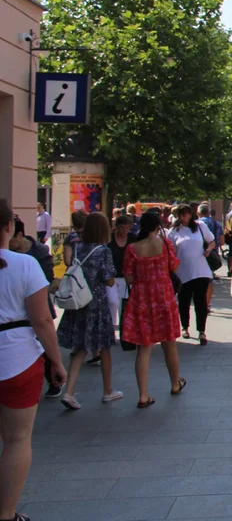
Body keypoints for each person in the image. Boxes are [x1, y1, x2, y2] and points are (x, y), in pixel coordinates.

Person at [0, 199, 67, 521]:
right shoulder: (24, 265)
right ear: (9, 227)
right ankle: (6, 512)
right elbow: (42, 321)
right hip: (17, 359)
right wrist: (55, 361)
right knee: (16, 439)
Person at [55, 212, 122, 409]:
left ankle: (69, 391)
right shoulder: (103, 251)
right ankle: (108, 390)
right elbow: (109, 279)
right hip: (97, 303)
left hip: (79, 302)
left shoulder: (78, 247)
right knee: (105, 346)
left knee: (80, 348)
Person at [122, 212, 185, 408]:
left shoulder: (132, 248)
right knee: (169, 343)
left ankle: (143, 395)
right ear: (158, 226)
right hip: (163, 297)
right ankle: (175, 383)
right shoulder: (165, 244)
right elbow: (173, 267)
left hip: (141, 298)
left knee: (144, 347)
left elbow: (129, 278)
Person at [9, 217, 62, 399]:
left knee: (42, 341)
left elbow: (47, 278)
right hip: (17, 323)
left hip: (37, 305)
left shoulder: (37, 252)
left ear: (19, 235)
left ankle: (52, 379)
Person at [167, 205, 214, 345]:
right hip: (182, 272)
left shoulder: (200, 226)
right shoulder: (174, 231)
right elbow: (171, 252)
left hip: (201, 270)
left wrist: (209, 249)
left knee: (200, 301)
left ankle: (202, 331)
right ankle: (185, 327)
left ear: (190, 215)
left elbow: (212, 241)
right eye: (180, 215)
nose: (182, 218)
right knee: (184, 300)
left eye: (185, 215)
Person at [108, 215, 136, 328]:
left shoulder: (133, 238)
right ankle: (111, 327)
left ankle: (124, 329)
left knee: (125, 305)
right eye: (122, 227)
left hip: (126, 277)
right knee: (113, 302)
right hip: (111, 277)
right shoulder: (109, 238)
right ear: (116, 227)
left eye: (127, 227)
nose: (125, 230)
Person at [197, 203, 223, 312]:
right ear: (208, 212)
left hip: (199, 255)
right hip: (212, 255)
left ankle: (200, 303)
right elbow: (222, 241)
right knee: (209, 281)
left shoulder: (197, 224)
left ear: (198, 213)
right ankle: (207, 304)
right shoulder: (216, 224)